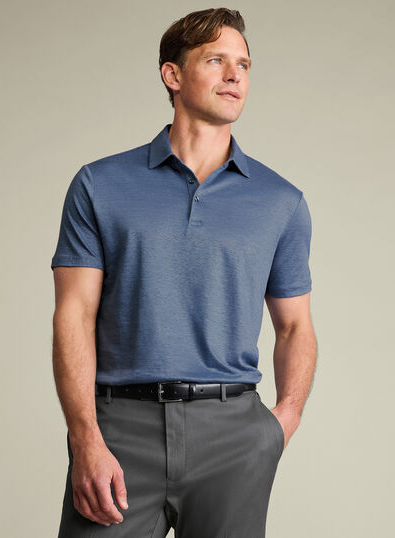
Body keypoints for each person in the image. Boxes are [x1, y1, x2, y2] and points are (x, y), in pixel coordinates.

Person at [51, 7, 317, 538]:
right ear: (172, 75)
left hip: (233, 432)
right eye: (216, 60)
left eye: (244, 64)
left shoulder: (281, 201)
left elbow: (295, 327)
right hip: (120, 430)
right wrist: (85, 438)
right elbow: (74, 315)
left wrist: (280, 424)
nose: (234, 75)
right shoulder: (99, 184)